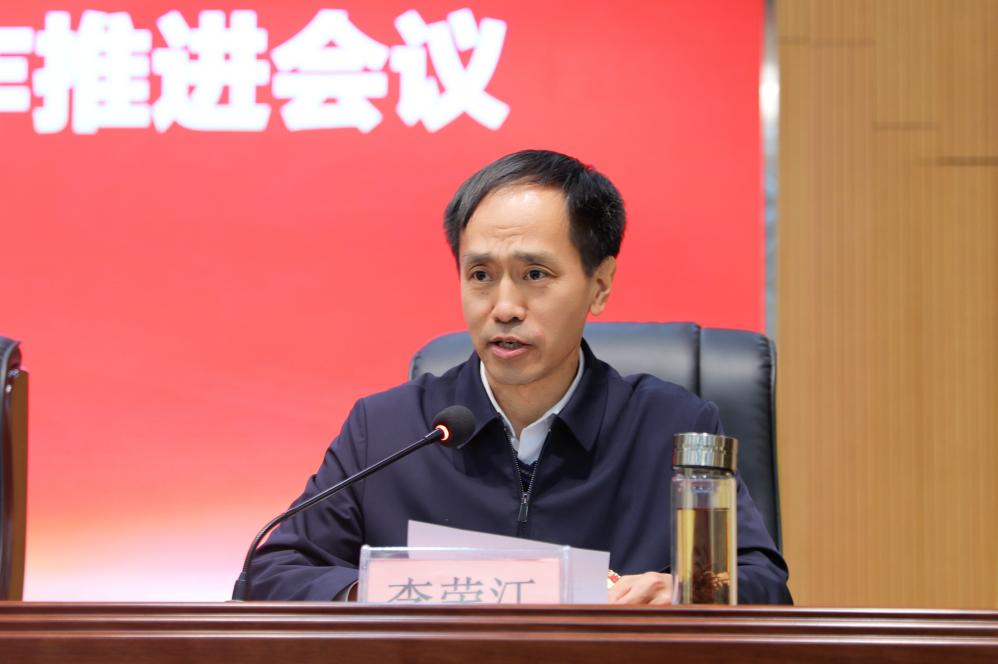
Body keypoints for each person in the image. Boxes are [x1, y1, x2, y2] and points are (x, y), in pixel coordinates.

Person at [249, 149, 792, 604]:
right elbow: (270, 575)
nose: (505, 307)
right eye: (480, 275)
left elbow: (762, 586)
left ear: (600, 284)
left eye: (535, 274)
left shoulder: (671, 428)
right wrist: (382, 595)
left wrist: (684, 592)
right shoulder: (388, 430)